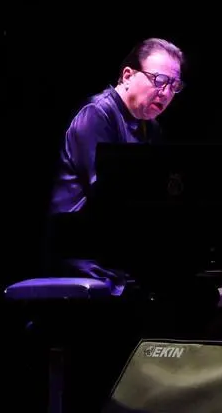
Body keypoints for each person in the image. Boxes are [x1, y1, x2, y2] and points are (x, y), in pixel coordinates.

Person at [45, 37, 186, 291]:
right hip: (82, 251)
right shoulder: (97, 114)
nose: (166, 93)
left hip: (116, 247)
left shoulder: (151, 128)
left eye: (173, 86)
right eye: (159, 80)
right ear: (128, 75)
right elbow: (108, 197)